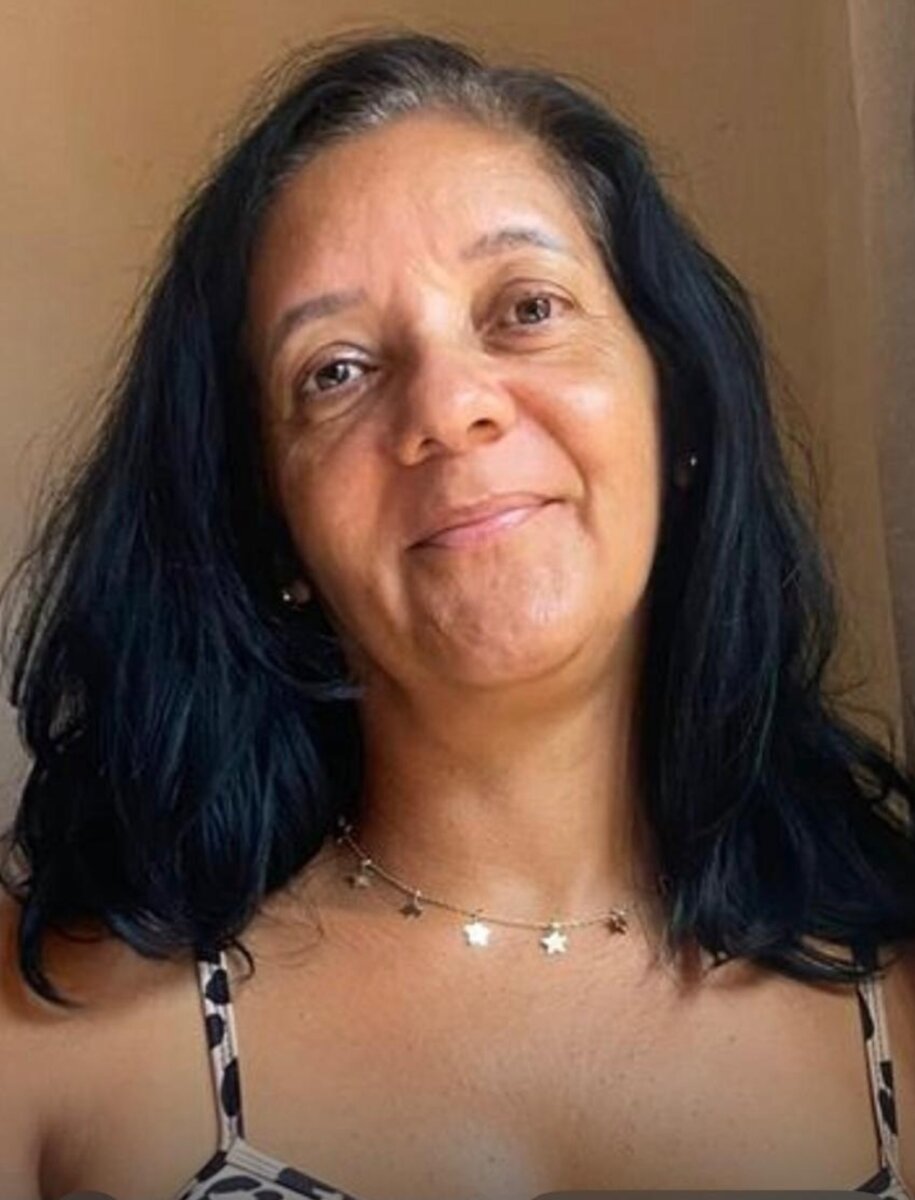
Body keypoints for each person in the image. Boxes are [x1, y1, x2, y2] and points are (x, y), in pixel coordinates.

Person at [1, 26, 914, 1200]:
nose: (448, 406)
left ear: (679, 410)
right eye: (336, 369)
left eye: (526, 307)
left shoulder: (896, 995)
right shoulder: (43, 1030)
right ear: (270, 522)